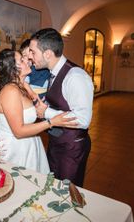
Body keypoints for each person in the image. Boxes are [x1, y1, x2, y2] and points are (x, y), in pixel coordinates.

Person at [0, 48, 78, 174]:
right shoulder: (10, 92)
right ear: (12, 69)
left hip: (30, 144)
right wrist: (51, 122)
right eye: (21, 60)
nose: (27, 60)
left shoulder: (22, 87)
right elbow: (19, 132)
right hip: (16, 149)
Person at [29, 28, 94, 187]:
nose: (30, 56)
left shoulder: (75, 77)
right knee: (53, 188)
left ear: (48, 54)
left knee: (67, 192)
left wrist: (46, 112)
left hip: (72, 148)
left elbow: (83, 120)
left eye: (32, 52)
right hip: (56, 142)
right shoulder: (53, 73)